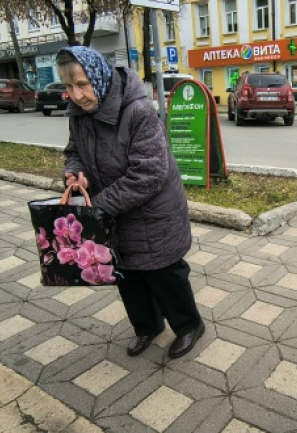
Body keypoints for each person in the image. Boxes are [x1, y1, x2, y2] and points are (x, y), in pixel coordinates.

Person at [56, 46, 205, 360]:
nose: (77, 94)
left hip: (153, 214)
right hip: (114, 214)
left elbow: (148, 174)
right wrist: (75, 174)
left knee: (165, 274)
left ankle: (189, 325)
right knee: (128, 277)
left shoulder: (137, 111)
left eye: (82, 84)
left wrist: (96, 204)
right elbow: (74, 152)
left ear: (98, 76)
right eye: (69, 87)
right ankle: (147, 327)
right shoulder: (79, 116)